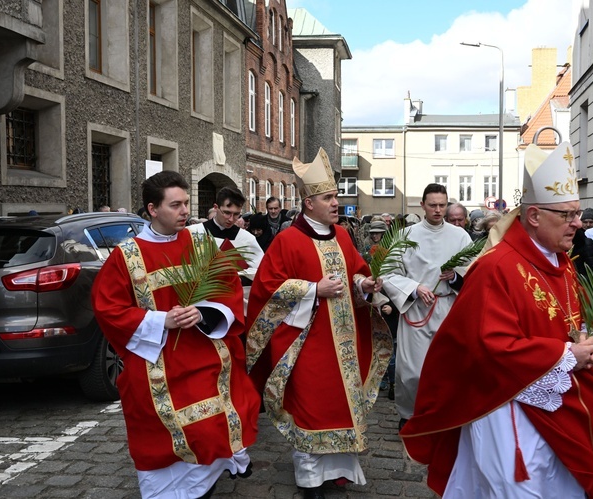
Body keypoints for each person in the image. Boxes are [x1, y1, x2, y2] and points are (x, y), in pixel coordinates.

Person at [399, 141, 593, 498]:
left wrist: (585, 345)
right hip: (505, 409)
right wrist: (565, 356)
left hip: (555, 401)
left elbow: (565, 321)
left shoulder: (561, 262)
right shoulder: (495, 267)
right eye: (567, 215)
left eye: (577, 213)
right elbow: (486, 346)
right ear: (534, 217)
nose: (578, 223)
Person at [90, 171, 260, 499]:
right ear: (152, 209)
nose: (185, 211)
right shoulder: (128, 255)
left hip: (201, 354)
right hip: (154, 359)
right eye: (175, 205)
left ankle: (203, 487)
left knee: (210, 428)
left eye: (186, 203)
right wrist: (159, 321)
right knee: (158, 437)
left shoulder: (201, 244)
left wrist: (204, 312)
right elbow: (107, 308)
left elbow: (228, 285)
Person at [245, 148, 392, 499]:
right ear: (309, 202)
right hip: (307, 344)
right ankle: (310, 480)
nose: (335, 203)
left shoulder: (342, 236)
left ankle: (339, 474)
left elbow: (355, 269)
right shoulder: (288, 240)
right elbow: (268, 289)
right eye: (328, 197)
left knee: (342, 405)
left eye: (336, 196)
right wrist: (313, 289)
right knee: (312, 409)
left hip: (344, 342)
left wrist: (364, 284)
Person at [382, 183, 472, 430]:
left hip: (448, 307)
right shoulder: (406, 236)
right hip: (416, 309)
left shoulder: (460, 236)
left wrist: (455, 277)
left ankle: (445, 415)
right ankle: (410, 414)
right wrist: (414, 287)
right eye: (432, 205)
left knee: (449, 367)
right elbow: (388, 273)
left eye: (442, 205)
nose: (438, 210)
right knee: (413, 371)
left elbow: (475, 272)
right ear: (422, 205)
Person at [188, 187, 265, 308]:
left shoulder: (247, 238)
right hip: (197, 301)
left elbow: (260, 270)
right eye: (227, 212)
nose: (231, 219)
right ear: (216, 207)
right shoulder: (193, 233)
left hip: (233, 301)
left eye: (236, 214)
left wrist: (237, 277)